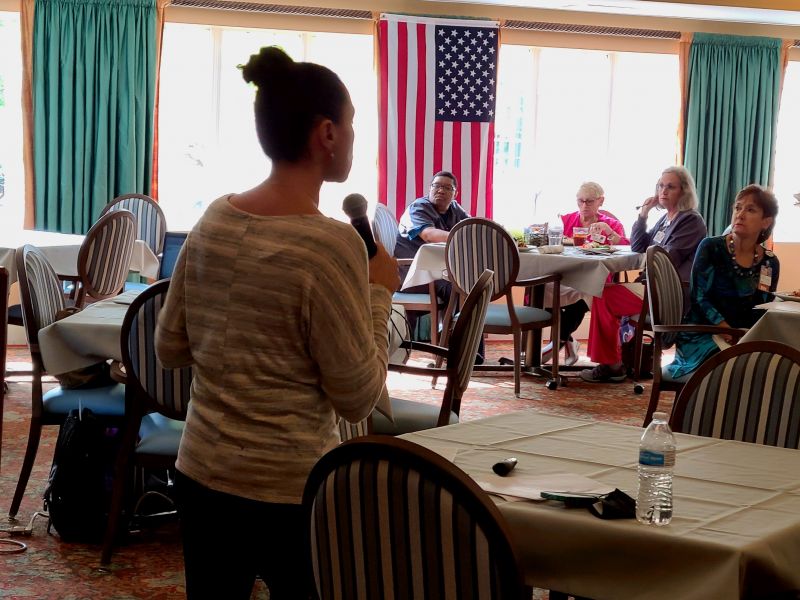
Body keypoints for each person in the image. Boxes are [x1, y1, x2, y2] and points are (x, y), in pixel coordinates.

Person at [155, 46, 399, 599]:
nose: (355, 138)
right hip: (287, 487)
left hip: (200, 473)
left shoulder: (213, 217)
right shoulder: (330, 243)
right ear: (327, 134)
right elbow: (357, 396)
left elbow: (168, 346)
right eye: (353, 124)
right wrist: (378, 291)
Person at [580, 166, 707, 383]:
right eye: (660, 186)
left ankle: (612, 365)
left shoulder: (690, 220)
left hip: (670, 292)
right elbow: (638, 245)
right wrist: (643, 215)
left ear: (684, 191)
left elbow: (667, 260)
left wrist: (646, 267)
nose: (663, 191)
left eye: (670, 187)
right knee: (600, 292)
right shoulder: (666, 218)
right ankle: (613, 362)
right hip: (651, 286)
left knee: (604, 296)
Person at [667, 185, 779, 377]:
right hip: (702, 333)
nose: (740, 214)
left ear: (766, 222)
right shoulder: (711, 247)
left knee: (773, 363)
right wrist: (725, 329)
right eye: (738, 208)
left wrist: (744, 336)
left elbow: (762, 307)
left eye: (750, 209)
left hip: (742, 336)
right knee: (731, 364)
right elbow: (699, 296)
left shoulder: (769, 262)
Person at [543, 181, 630, 366]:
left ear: (601, 201)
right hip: (564, 274)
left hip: (595, 279)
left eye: (589, 201)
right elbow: (552, 242)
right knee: (539, 288)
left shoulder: (611, 224)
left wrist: (612, 233)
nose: (584, 206)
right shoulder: (566, 220)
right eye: (580, 201)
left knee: (585, 291)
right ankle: (567, 340)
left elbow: (626, 248)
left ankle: (555, 344)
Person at [394, 171, 471, 338]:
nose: (441, 191)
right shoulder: (418, 208)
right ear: (430, 189)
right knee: (459, 288)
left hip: (436, 274)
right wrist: (466, 236)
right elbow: (429, 235)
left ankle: (468, 350)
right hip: (411, 274)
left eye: (447, 188)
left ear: (454, 193)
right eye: (436, 186)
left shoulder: (455, 209)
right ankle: (459, 347)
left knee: (471, 284)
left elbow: (471, 227)